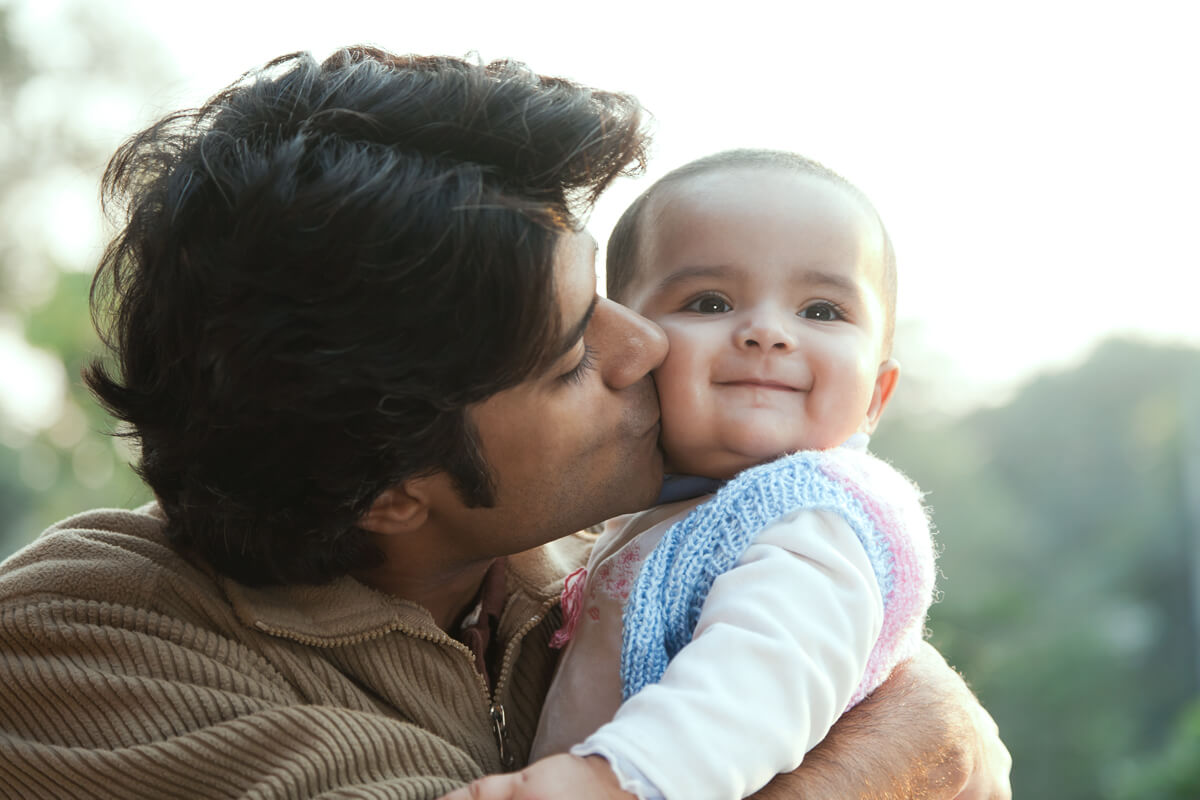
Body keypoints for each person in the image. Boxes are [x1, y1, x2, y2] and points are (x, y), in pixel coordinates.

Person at [0, 48, 1010, 799]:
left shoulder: (580, 554)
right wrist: (907, 744)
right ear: (390, 489)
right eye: (574, 356)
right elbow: (935, 736)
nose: (646, 345)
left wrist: (923, 716)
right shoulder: (77, 648)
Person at [446, 150, 936, 800]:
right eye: (710, 302)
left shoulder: (812, 520)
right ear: (632, 347)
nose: (767, 332)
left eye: (821, 311)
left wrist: (612, 779)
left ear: (876, 395)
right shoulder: (668, 507)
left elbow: (762, 675)